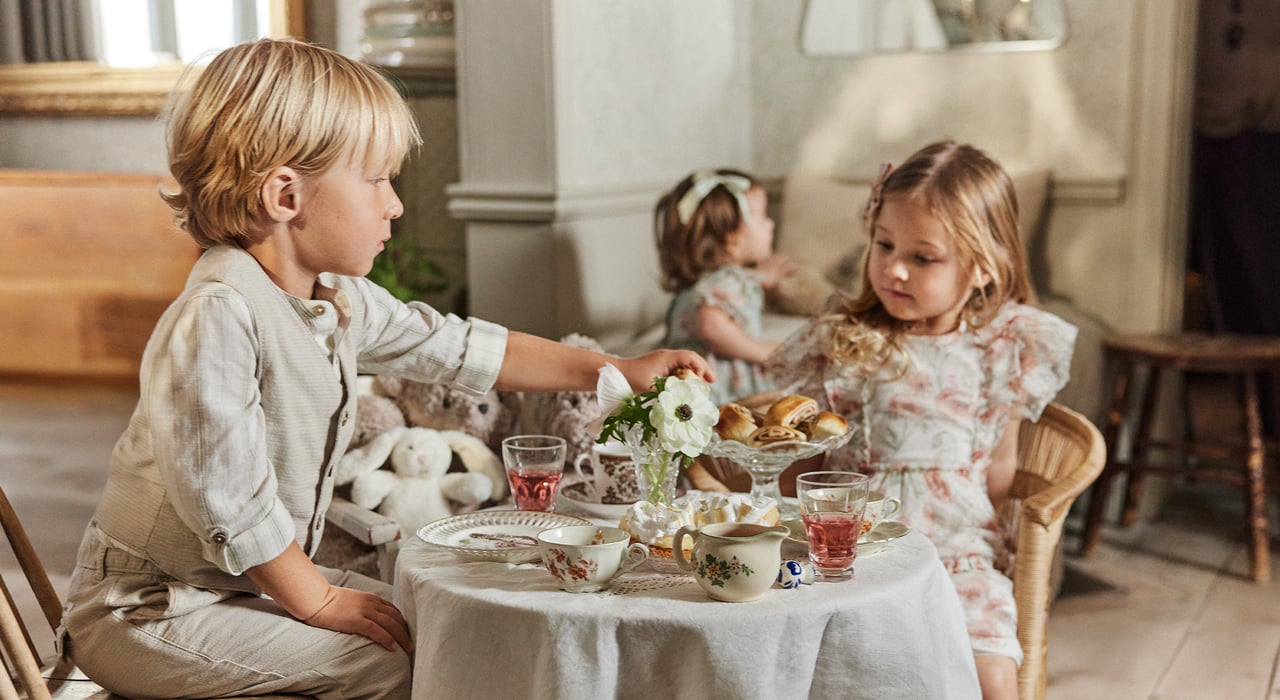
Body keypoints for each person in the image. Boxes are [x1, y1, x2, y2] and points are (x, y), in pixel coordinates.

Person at [57, 38, 712, 700]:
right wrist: (316, 602)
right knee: (384, 663)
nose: (395, 204)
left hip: (236, 589)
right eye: (377, 179)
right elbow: (229, 502)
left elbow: (463, 350)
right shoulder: (218, 314)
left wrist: (620, 369)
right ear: (286, 195)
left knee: (455, 619)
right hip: (148, 609)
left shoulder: (338, 298)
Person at [765, 140, 1076, 700]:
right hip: (847, 548)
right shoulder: (846, 341)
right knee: (803, 658)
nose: (894, 270)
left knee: (993, 678)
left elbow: (1000, 466)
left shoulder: (1003, 347)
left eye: (923, 257)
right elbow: (802, 465)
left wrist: (996, 553)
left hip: (955, 552)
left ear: (981, 268)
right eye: (884, 245)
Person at [655, 168, 796, 405]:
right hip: (720, 383)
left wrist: (765, 276)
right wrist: (761, 351)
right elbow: (712, 327)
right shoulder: (727, 281)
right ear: (732, 241)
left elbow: (740, 286)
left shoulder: (708, 281)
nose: (770, 224)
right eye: (762, 217)